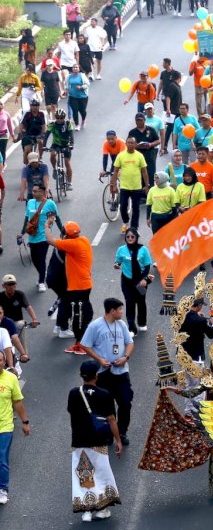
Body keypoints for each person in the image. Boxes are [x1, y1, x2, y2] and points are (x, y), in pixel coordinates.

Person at [68, 360, 122, 522]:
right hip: (99, 440)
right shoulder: (104, 394)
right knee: (101, 473)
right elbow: (111, 420)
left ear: (81, 376)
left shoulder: (73, 393)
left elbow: (72, 412)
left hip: (79, 440)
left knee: (84, 474)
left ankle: (87, 511)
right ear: (96, 375)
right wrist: (118, 440)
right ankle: (102, 509)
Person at [80, 298, 134, 446]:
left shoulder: (121, 325)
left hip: (121, 371)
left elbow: (130, 343)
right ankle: (110, 432)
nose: (122, 312)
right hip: (103, 372)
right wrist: (99, 359)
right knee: (106, 405)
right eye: (120, 309)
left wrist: (125, 357)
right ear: (112, 311)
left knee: (125, 402)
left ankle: (122, 432)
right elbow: (85, 345)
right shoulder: (95, 326)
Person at [45, 219, 93, 354]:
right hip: (82, 284)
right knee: (78, 314)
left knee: (80, 316)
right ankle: (78, 342)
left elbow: (50, 240)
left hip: (78, 287)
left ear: (67, 235)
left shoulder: (72, 244)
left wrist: (46, 226)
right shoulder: (83, 240)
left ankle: (81, 344)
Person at [0, 348, 30, 506]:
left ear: (4, 362)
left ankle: (2, 489)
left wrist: (25, 422)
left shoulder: (10, 378)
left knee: (1, 459)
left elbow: (17, 402)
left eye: (0, 360)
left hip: (4, 426)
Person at [177, 298, 213, 415]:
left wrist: (196, 315)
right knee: (198, 386)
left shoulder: (181, 317)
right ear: (198, 305)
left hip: (183, 356)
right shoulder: (200, 321)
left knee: (188, 385)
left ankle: (188, 411)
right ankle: (196, 412)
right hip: (195, 358)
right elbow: (211, 334)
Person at [19, 184, 63, 291]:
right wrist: (22, 233)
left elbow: (57, 218)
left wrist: (63, 231)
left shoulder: (50, 204)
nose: (33, 193)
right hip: (32, 237)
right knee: (34, 259)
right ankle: (43, 273)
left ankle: (41, 281)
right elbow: (27, 219)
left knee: (41, 258)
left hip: (44, 237)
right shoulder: (30, 203)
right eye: (32, 191)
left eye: (36, 191)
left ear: (43, 192)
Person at [114, 229, 152, 336]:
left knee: (141, 301)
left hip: (140, 280)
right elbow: (118, 261)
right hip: (126, 280)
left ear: (136, 238)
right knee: (129, 302)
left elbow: (147, 265)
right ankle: (131, 328)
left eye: (132, 237)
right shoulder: (121, 249)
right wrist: (116, 265)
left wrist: (144, 279)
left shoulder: (143, 249)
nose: (130, 238)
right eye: (128, 237)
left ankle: (142, 322)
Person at [111, 137, 149, 233]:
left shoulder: (139, 156)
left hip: (136, 187)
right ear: (126, 144)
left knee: (136, 209)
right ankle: (125, 221)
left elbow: (144, 171)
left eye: (132, 143)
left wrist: (147, 185)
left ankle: (134, 228)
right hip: (124, 187)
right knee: (123, 206)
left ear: (135, 144)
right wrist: (114, 184)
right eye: (129, 143)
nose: (131, 144)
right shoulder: (121, 155)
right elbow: (115, 171)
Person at [0, 276, 38, 356]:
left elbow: (28, 307)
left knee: (21, 325)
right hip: (4, 322)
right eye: (8, 284)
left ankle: (23, 354)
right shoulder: (0, 297)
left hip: (17, 322)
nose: (11, 287)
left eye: (13, 284)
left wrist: (34, 319)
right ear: (3, 286)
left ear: (16, 285)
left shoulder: (20, 294)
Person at [44, 108, 75, 189]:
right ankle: (54, 169)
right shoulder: (52, 124)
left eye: (61, 118)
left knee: (67, 163)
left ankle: (69, 182)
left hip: (66, 145)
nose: (59, 119)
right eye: (57, 117)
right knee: (52, 154)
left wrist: (71, 144)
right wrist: (44, 146)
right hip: (56, 144)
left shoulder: (68, 124)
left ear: (64, 118)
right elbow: (46, 135)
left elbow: (71, 135)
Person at [16, 99, 46, 167]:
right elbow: (21, 125)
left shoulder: (41, 114)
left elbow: (44, 126)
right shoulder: (27, 113)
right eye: (33, 105)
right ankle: (27, 164)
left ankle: (40, 157)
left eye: (37, 105)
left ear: (39, 106)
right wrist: (20, 133)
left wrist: (43, 134)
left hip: (38, 134)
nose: (35, 107)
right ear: (30, 106)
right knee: (27, 151)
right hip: (28, 134)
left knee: (40, 142)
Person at [65, 64, 89, 131]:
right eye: (74, 67)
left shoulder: (82, 76)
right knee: (75, 110)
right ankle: (77, 125)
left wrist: (81, 87)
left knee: (82, 111)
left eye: (76, 67)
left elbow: (87, 84)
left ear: (79, 68)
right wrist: (66, 91)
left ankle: (83, 120)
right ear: (72, 69)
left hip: (83, 96)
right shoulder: (69, 77)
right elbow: (66, 85)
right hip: (72, 96)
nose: (75, 68)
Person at [0, 100, 15, 165]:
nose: (0, 105)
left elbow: (10, 125)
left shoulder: (6, 114)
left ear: (3, 105)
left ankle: (2, 165)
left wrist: (13, 136)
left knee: (2, 151)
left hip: (4, 135)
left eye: (1, 104)